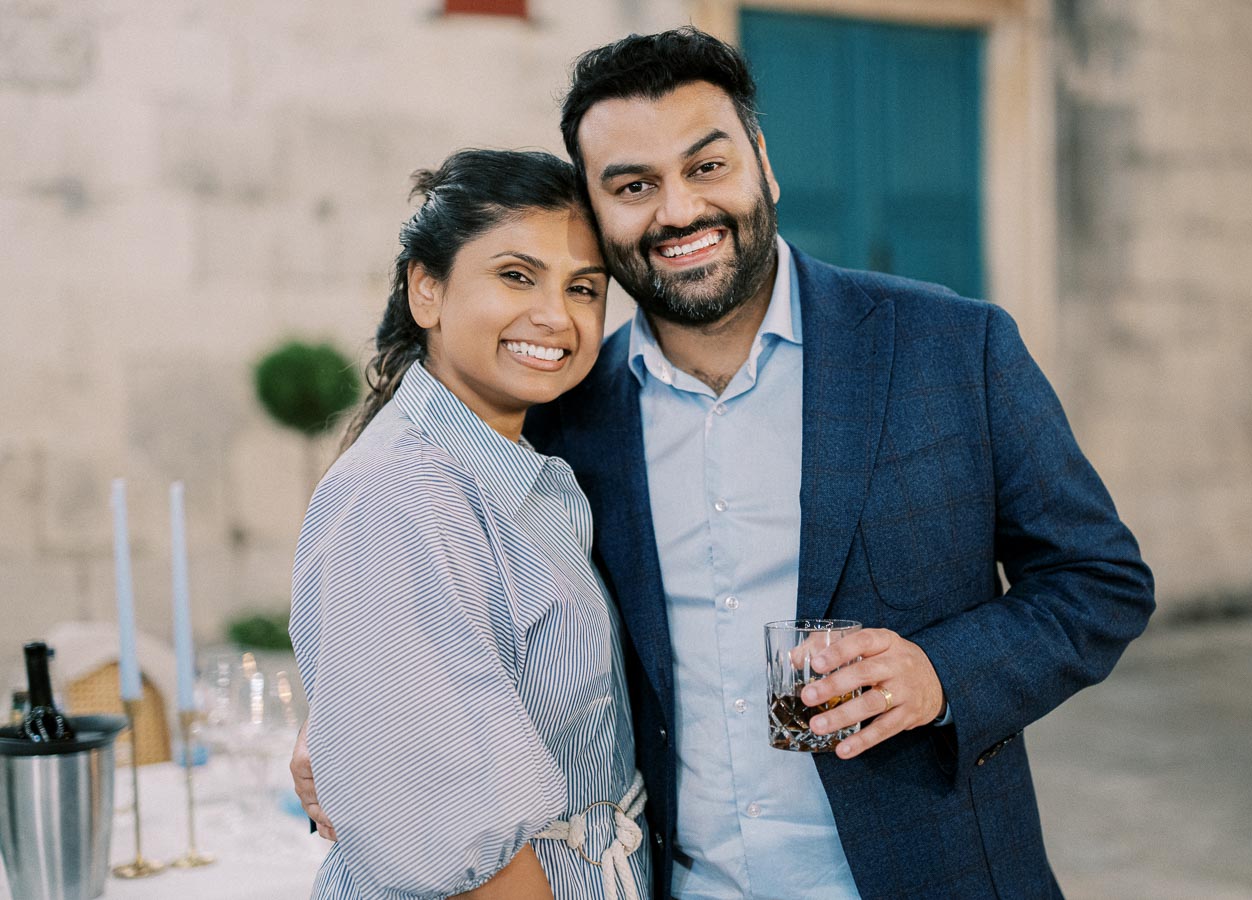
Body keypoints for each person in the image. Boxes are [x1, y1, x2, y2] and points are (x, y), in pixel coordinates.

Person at [294, 27, 1154, 900]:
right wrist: (356, 726)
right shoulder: (566, 417)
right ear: (599, 214)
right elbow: (455, 625)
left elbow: (1100, 579)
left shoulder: (951, 347)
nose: (677, 211)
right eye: (633, 185)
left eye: (707, 166)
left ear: (764, 165)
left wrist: (941, 673)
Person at [288, 148, 650, 900]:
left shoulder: (520, 464)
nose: (555, 316)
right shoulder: (402, 491)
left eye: (584, 288)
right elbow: (461, 841)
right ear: (427, 290)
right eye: (516, 276)